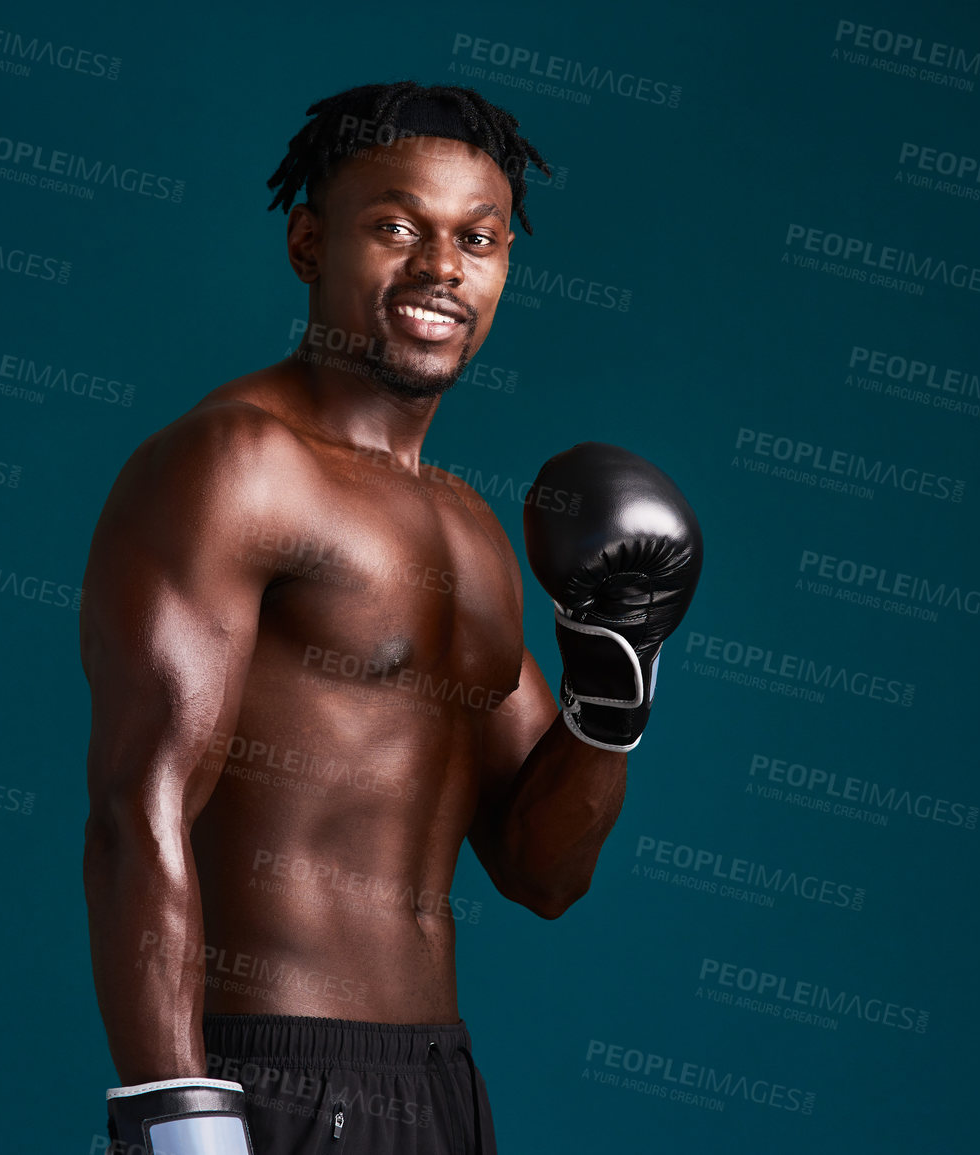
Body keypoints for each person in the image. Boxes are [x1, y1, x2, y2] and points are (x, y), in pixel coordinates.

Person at [80, 80, 702, 1155]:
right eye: (398, 227)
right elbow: (141, 812)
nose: (441, 267)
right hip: (265, 1074)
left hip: (440, 1085)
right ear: (309, 243)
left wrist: (618, 680)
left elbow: (541, 872)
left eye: (479, 238)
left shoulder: (468, 525)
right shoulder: (236, 467)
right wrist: (179, 1119)